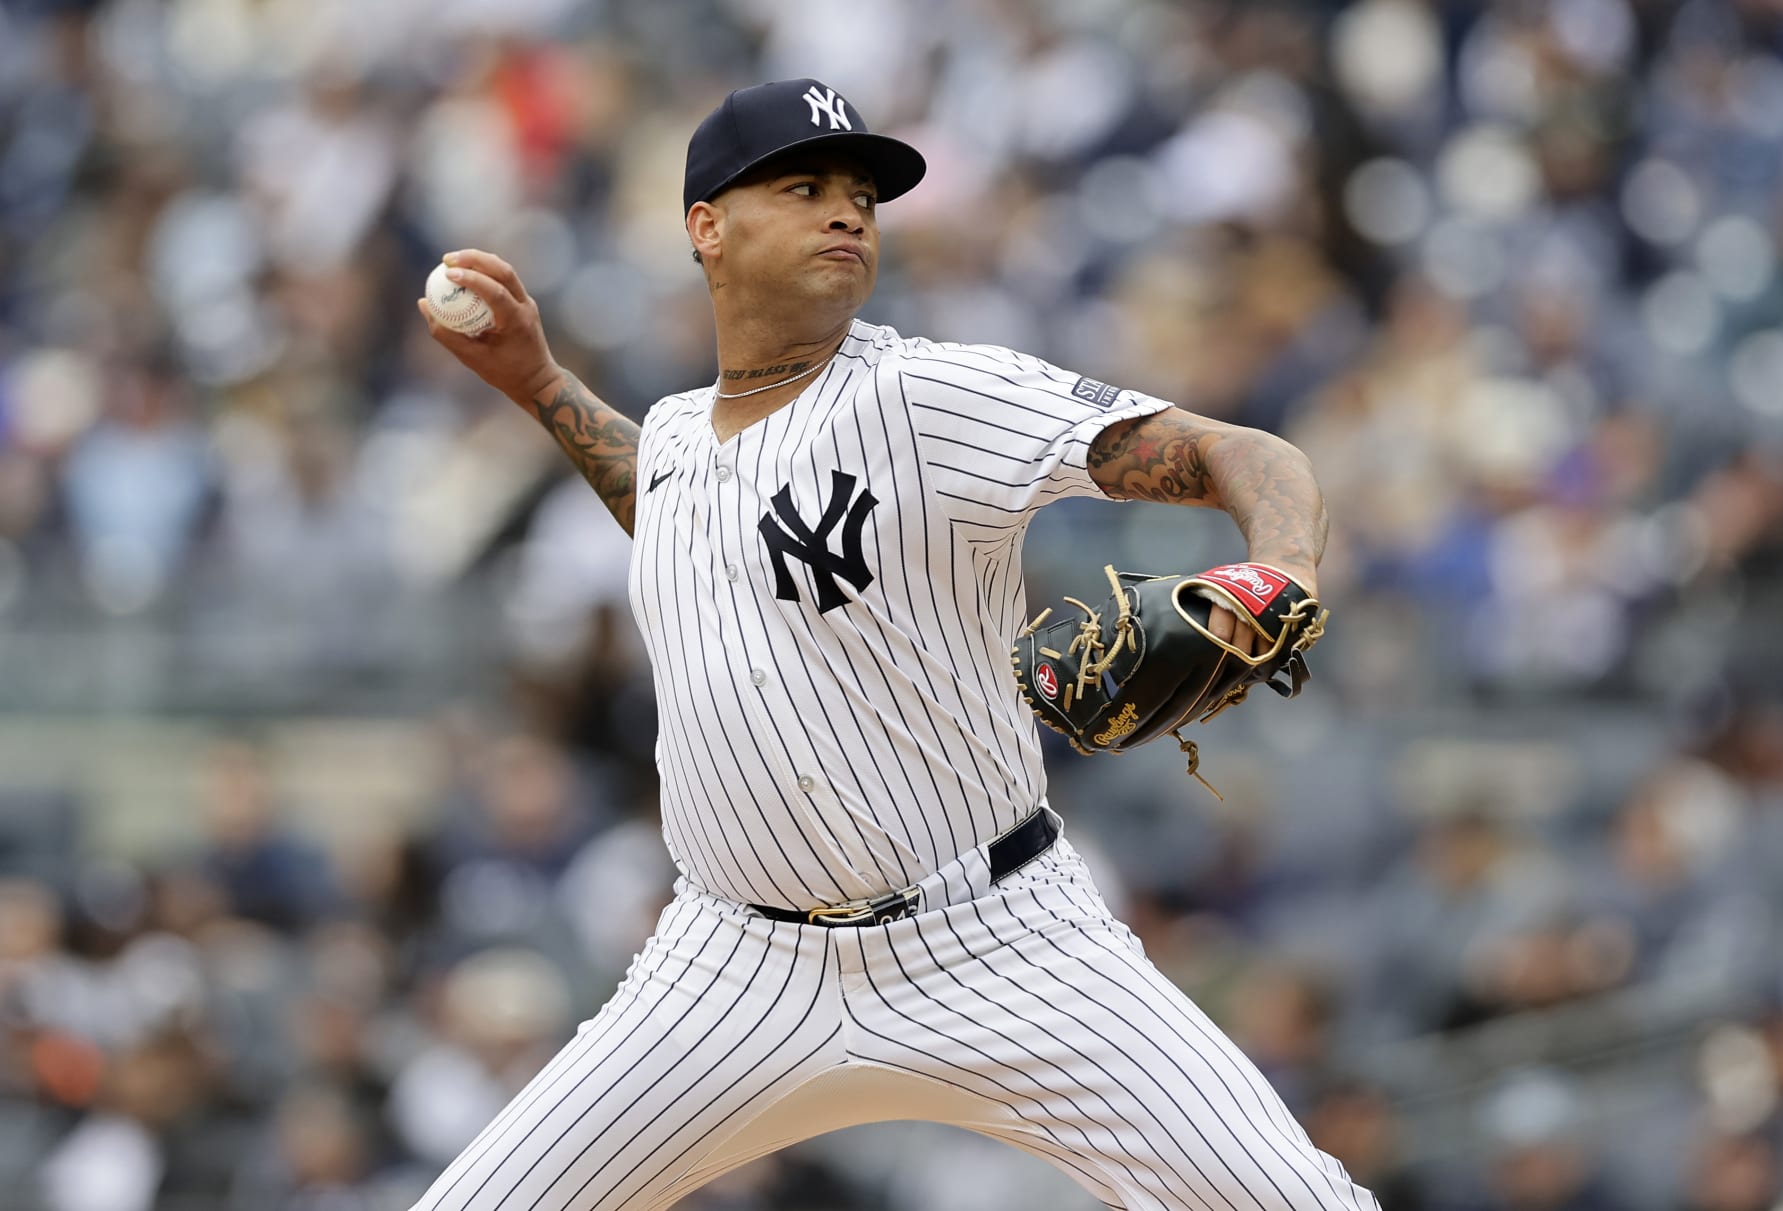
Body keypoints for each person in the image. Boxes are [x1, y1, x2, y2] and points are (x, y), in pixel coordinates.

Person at [415, 78, 1372, 1211]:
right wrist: (540, 384)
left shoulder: (927, 395)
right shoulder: (676, 435)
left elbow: (1239, 452)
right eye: (805, 185)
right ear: (705, 227)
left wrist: (1284, 568)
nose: (848, 213)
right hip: (734, 965)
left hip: (1001, 940)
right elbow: (683, 503)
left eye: (862, 193)